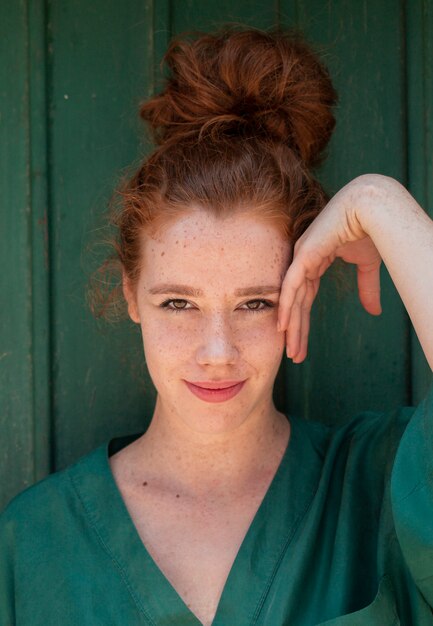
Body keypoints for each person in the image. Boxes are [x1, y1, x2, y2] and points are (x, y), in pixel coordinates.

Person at [1, 26, 433, 626]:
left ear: (299, 291)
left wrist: (382, 203)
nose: (217, 351)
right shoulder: (29, 545)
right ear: (130, 295)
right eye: (178, 303)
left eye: (255, 303)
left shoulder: (378, 484)